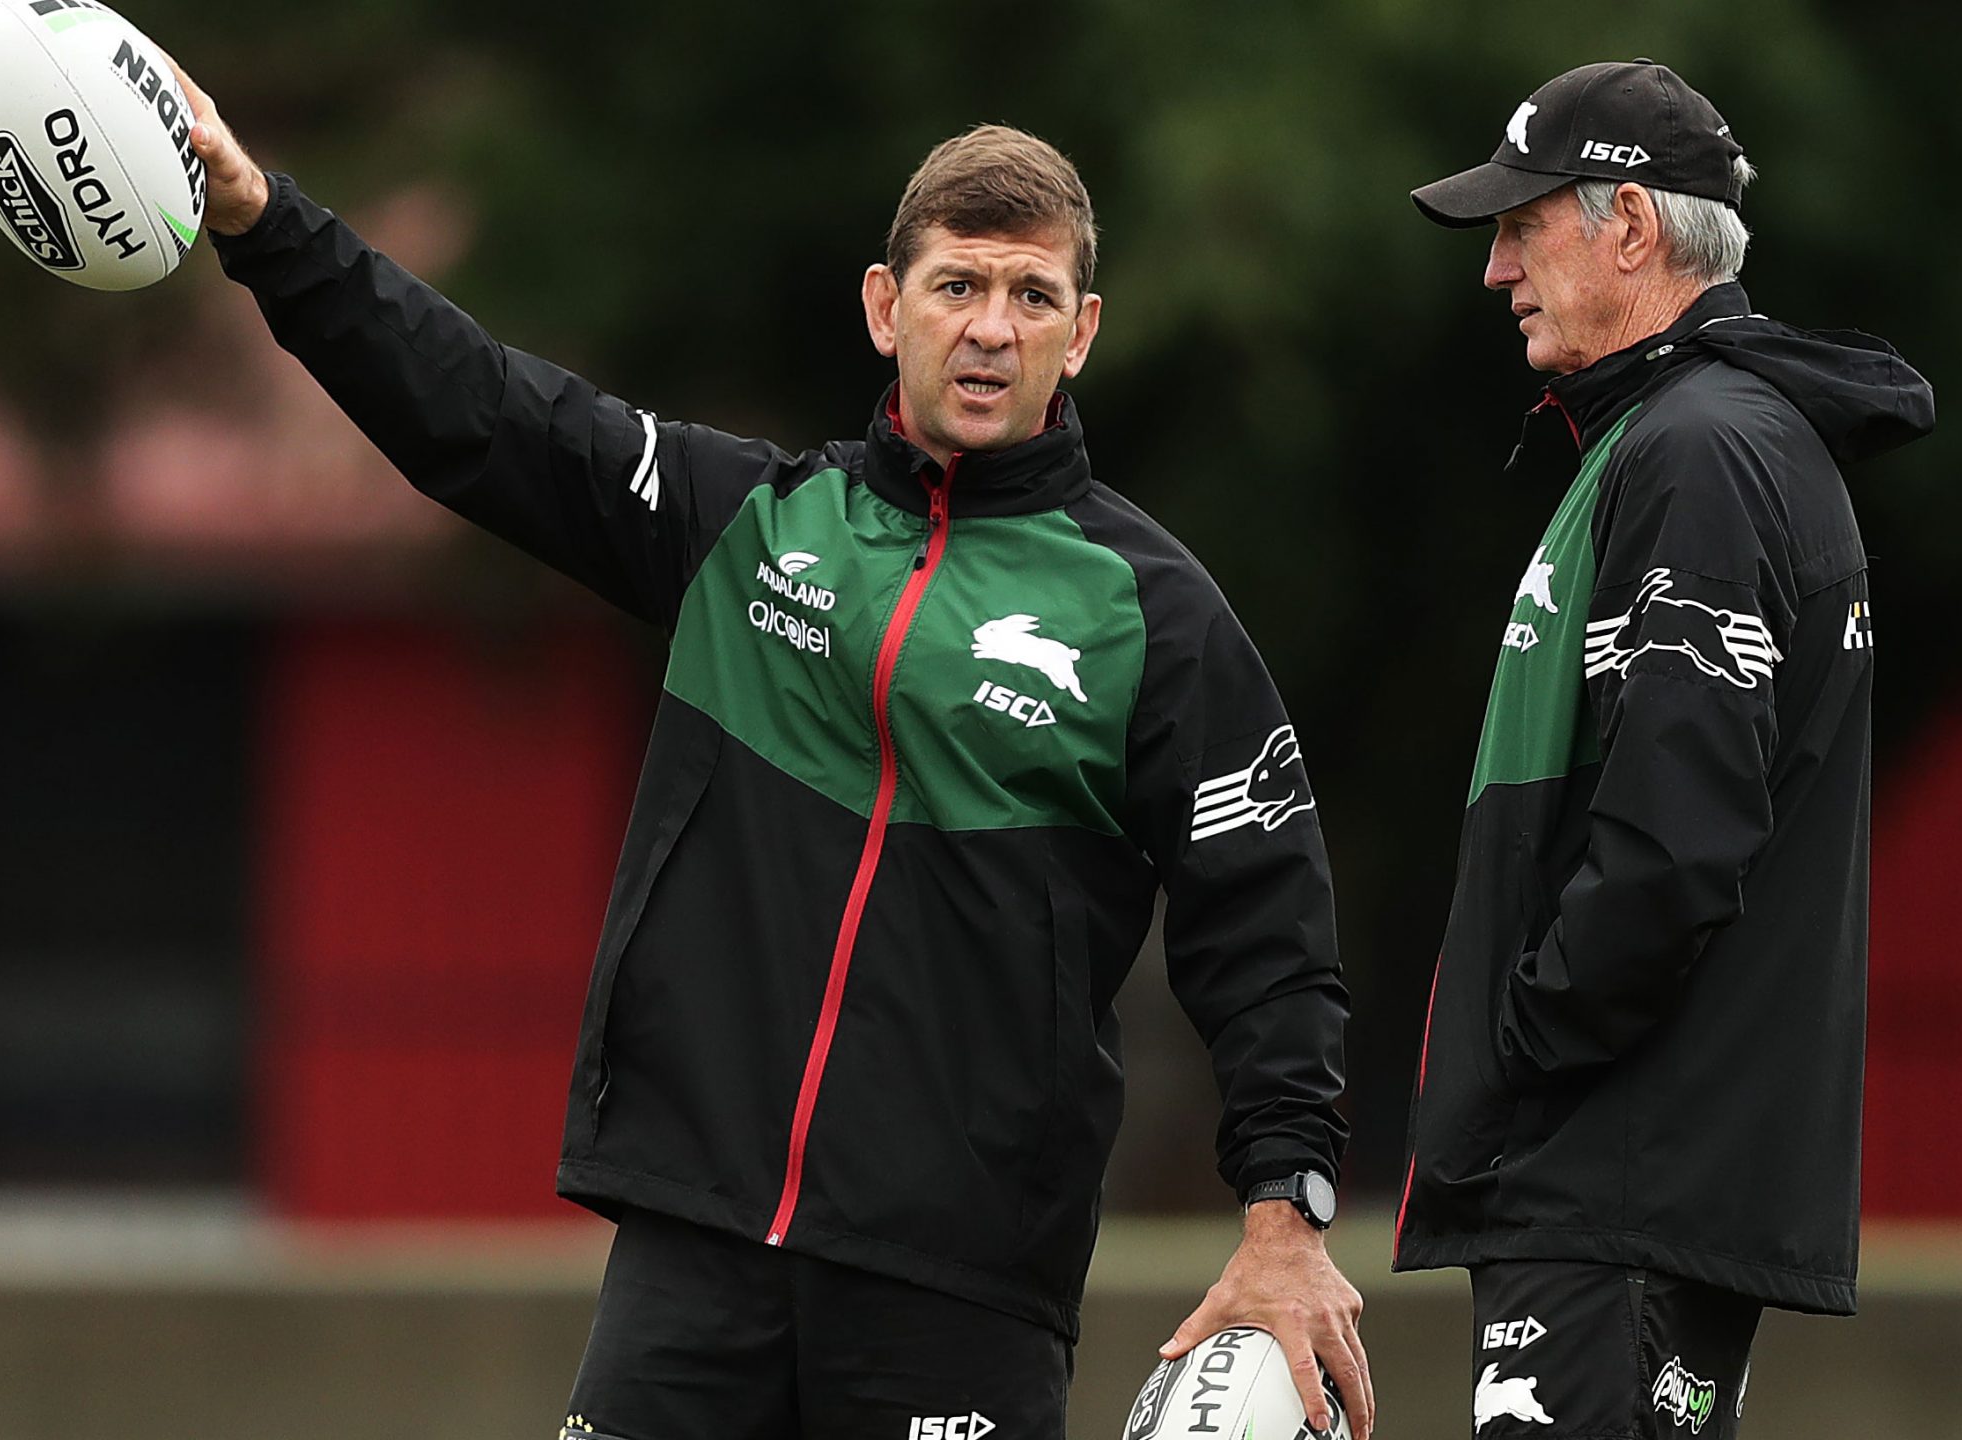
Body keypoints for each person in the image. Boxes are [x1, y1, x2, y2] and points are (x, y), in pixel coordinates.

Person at [175, 67, 1372, 1440]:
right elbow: (477, 410)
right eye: (957, 288)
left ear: (1082, 332)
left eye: (1031, 297)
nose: (991, 329)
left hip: (959, 1287)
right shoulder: (746, 524)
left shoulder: (1158, 617)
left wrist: (1286, 1217)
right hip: (695, 1250)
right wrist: (261, 218)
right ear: (885, 307)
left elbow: (1271, 930)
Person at [1392, 61, 1934, 1438]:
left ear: (1628, 222)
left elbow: (1673, 843)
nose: (1498, 267)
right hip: (1624, 1183)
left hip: (1617, 1179)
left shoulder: (1698, 451)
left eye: (1524, 225)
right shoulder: (1688, 436)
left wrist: (1522, 1046)